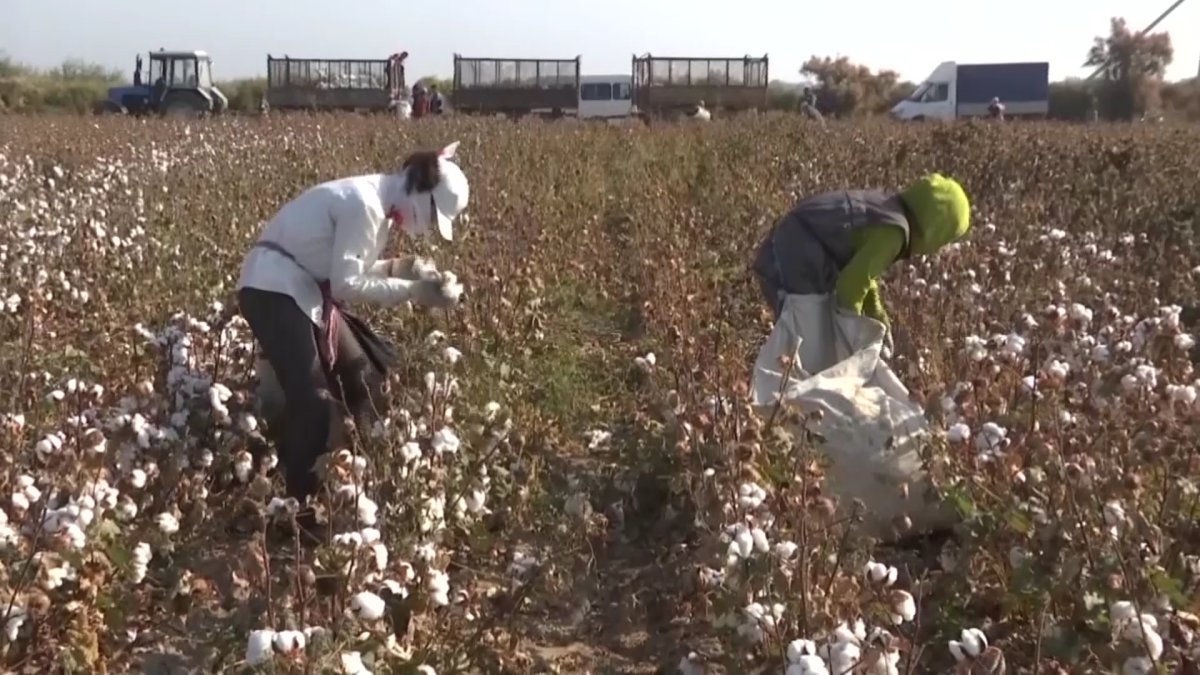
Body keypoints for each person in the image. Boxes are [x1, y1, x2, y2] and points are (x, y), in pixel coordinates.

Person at [236, 141, 469, 535]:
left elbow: (350, 264)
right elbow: (346, 284)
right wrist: (413, 291)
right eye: (432, 217)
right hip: (270, 288)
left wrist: (405, 268)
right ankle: (298, 511)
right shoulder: (365, 205)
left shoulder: (378, 203)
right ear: (422, 194)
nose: (428, 227)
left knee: (366, 373)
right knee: (311, 400)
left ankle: (362, 471)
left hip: (299, 287)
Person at [751, 173, 970, 340]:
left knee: (808, 337)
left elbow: (863, 274)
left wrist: (876, 315)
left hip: (789, 245)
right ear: (935, 233)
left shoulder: (886, 211)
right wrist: (854, 337)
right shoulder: (894, 234)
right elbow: (850, 286)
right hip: (796, 257)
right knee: (809, 343)